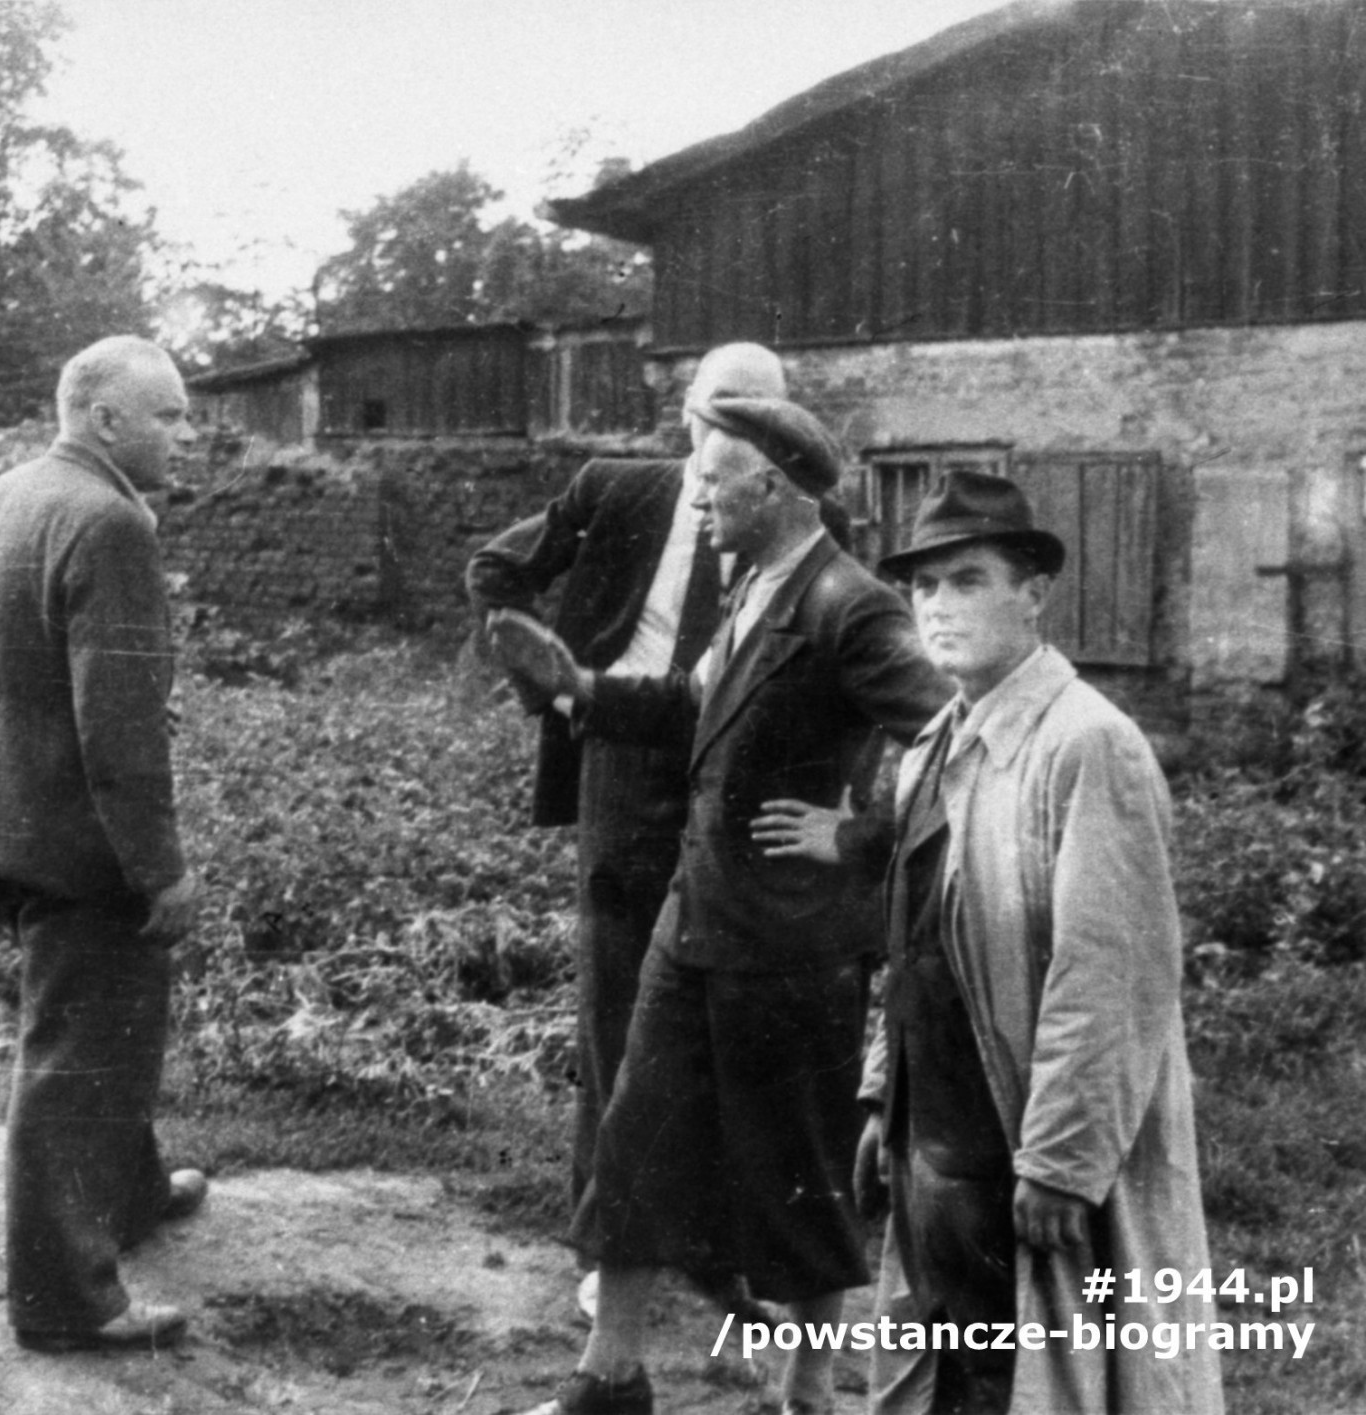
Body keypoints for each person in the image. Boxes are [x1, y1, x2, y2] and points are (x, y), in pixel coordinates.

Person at [495, 391, 952, 1415]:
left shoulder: (850, 604)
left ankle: (808, 1391)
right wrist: (578, 686)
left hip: (791, 945)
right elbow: (691, 702)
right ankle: (611, 1377)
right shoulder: (751, 582)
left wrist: (858, 834)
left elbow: (958, 737)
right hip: (694, 920)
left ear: (773, 487)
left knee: (802, 1171)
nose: (695, 498)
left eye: (712, 481)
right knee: (632, 1145)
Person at [853, 470, 1222, 1414]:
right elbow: (914, 941)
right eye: (923, 585)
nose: (939, 605)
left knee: (1043, 1380)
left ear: (1034, 593)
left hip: (1025, 1139)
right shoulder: (934, 746)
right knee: (945, 1374)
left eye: (968, 579)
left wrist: (1061, 1159)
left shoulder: (1087, 745)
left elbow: (1110, 974)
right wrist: (884, 1097)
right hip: (938, 1134)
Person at [466, 343, 787, 1319]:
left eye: (758, 412)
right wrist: (554, 688)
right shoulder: (616, 489)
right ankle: (610, 1244)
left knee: (728, 1000)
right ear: (686, 412)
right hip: (623, 762)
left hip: (735, 775)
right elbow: (496, 568)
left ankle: (717, 1248)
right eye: (719, 408)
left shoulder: (802, 519)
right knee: (618, 1003)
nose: (732, 429)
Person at [0, 335, 204, 1352]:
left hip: (10, 820)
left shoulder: (4, 494)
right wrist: (160, 869)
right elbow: (120, 731)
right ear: (104, 419)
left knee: (106, 1027)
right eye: (168, 414)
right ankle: (63, 1299)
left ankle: (129, 1195)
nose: (185, 434)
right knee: (83, 1050)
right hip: (86, 841)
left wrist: (18, 739)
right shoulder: (111, 521)